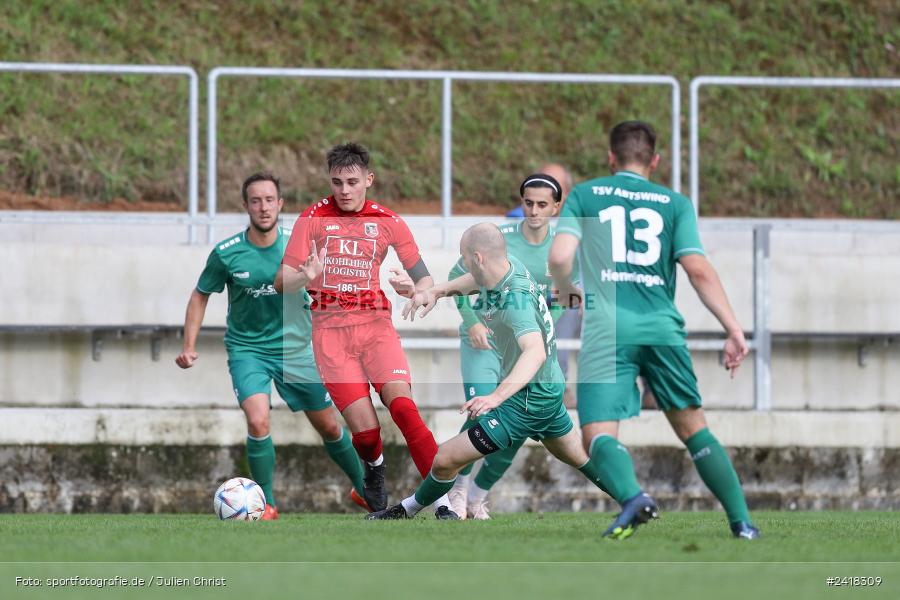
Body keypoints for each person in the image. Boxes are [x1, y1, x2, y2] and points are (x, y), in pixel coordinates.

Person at [366, 223, 659, 539]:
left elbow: (533, 352)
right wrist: (434, 291)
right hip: (547, 391)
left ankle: (406, 510)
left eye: (465, 257)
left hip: (527, 402)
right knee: (581, 458)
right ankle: (636, 500)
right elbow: (471, 281)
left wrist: (496, 398)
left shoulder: (511, 298)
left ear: (478, 257)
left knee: (445, 458)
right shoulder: (507, 267)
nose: (464, 264)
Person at [549, 120, 759, 539]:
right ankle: (743, 524)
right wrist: (734, 328)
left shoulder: (586, 194)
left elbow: (559, 256)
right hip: (662, 329)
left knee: (598, 434)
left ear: (611, 158)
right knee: (693, 427)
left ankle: (634, 498)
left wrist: (565, 288)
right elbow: (698, 269)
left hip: (608, 330)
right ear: (655, 160)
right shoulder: (674, 203)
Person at [275, 143, 453, 518]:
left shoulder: (388, 221)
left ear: (368, 180)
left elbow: (424, 279)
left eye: (352, 182)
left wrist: (417, 291)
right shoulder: (311, 219)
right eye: (337, 182)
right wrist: (303, 278)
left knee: (404, 409)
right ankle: (374, 471)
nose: (344, 190)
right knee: (368, 434)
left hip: (375, 328)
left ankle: (443, 503)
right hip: (330, 337)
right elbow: (281, 282)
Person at [176, 171, 367, 520]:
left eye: (269, 200)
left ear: (280, 204)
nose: (263, 208)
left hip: (296, 350)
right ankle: (267, 504)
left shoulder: (301, 247)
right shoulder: (227, 254)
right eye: (255, 201)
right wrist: (189, 345)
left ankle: (364, 488)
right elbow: (200, 294)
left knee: (328, 426)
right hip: (248, 350)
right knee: (258, 421)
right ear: (246, 206)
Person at [445, 173, 566, 520]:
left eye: (543, 204)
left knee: (516, 425)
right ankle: (457, 488)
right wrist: (473, 323)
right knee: (480, 410)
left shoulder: (561, 248)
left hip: (523, 352)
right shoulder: (499, 239)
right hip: (483, 344)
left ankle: (478, 496)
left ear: (555, 208)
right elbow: (458, 282)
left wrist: (547, 324)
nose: (534, 210)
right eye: (528, 203)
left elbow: (562, 296)